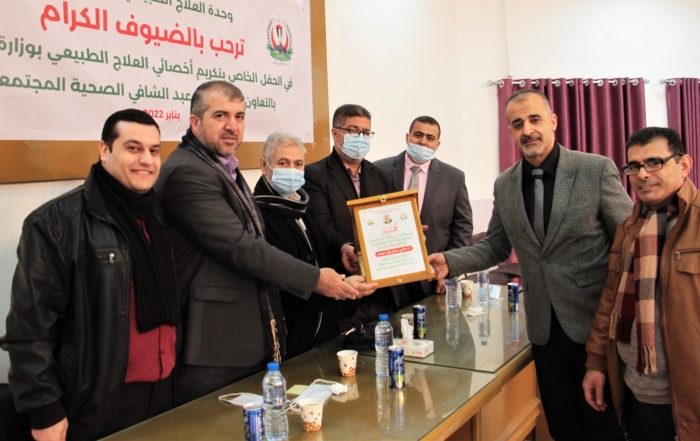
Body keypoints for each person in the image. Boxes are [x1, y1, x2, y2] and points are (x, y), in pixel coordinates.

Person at [428, 89, 631, 440]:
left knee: (604, 429)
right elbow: (495, 246)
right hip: (543, 331)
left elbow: (628, 241)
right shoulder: (506, 184)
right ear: (510, 130)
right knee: (563, 428)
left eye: (535, 119)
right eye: (518, 123)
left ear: (553, 121)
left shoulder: (594, 169)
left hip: (595, 327)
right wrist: (449, 260)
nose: (528, 130)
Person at [155, 81, 361, 405]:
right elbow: (241, 246)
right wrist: (316, 279)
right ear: (195, 122)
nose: (232, 125)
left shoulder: (220, 167)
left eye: (239, 116)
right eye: (220, 115)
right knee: (216, 423)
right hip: (211, 340)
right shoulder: (188, 172)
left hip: (240, 334)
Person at [1, 109, 179, 440]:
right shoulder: (56, 223)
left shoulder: (155, 215)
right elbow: (29, 329)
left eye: (154, 150)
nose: (147, 159)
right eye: (133, 148)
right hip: (99, 403)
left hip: (163, 392)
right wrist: (44, 409)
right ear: (104, 150)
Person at [583, 127, 698, 441]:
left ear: (684, 165)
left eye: (654, 162)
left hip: (688, 399)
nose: (643, 174)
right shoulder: (629, 228)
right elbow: (610, 300)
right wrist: (596, 363)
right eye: (634, 166)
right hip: (634, 391)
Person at [253, 131, 377, 358]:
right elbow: (279, 277)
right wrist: (338, 289)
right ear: (264, 165)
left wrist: (347, 284)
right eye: (283, 163)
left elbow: (322, 263)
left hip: (323, 336)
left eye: (298, 164)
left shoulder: (303, 207)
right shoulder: (257, 216)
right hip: (290, 340)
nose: (292, 170)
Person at [303, 104, 398, 331]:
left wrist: (409, 234)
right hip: (344, 293)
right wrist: (345, 246)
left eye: (366, 132)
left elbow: (393, 220)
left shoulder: (384, 176)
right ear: (335, 133)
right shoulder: (314, 174)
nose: (361, 138)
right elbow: (322, 224)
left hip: (383, 291)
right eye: (353, 131)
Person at [375, 115, 473, 305]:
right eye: (418, 135)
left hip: (433, 278)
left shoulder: (454, 177)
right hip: (389, 276)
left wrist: (451, 270)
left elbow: (463, 228)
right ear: (407, 137)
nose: (423, 142)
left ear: (437, 144)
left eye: (430, 138)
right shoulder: (380, 169)